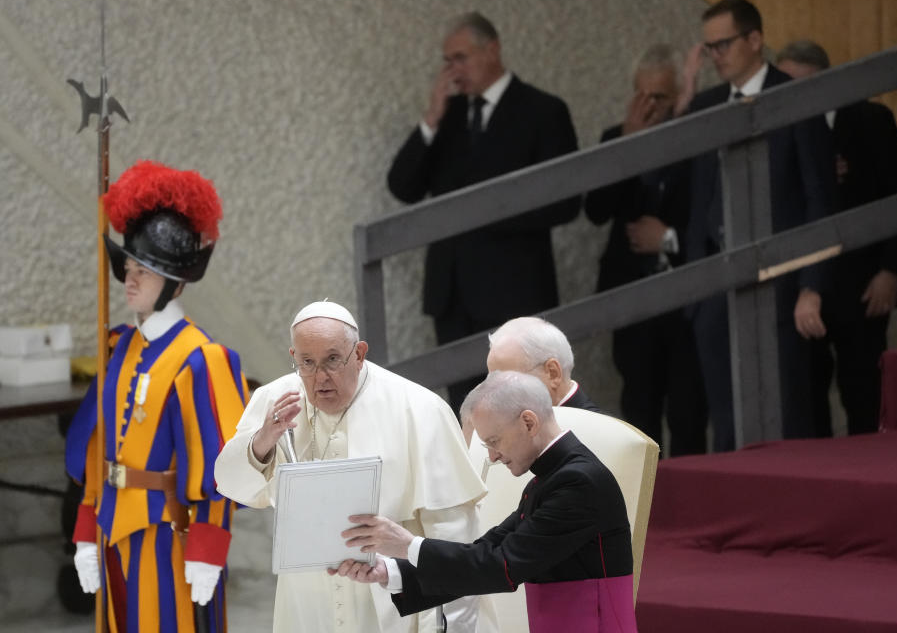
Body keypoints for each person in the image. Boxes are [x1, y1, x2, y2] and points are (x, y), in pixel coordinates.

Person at [214, 301, 493, 633]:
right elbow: (231, 485)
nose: (320, 378)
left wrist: (449, 626)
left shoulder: (419, 408)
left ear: (359, 354)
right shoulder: (275, 400)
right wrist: (263, 439)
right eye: (306, 363)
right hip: (306, 598)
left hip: (390, 597)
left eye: (333, 360)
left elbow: (451, 533)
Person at [65, 161, 250, 633]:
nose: (129, 278)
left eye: (144, 271)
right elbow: (96, 452)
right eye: (128, 266)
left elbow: (221, 466)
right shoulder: (119, 347)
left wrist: (209, 548)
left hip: (169, 535)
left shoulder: (202, 359)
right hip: (111, 529)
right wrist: (87, 531)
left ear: (176, 280)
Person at [332, 370, 638, 633]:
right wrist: (392, 571)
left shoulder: (577, 483)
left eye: (494, 441)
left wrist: (408, 545)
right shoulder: (551, 478)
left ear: (529, 423)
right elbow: (484, 550)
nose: (491, 456)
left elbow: (500, 566)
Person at [387, 11, 581, 414]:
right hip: (453, 292)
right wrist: (431, 120)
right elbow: (403, 186)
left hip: (514, 288)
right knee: (468, 412)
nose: (454, 70)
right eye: (448, 61)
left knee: (523, 410)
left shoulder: (542, 110)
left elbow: (566, 201)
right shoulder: (450, 116)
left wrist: (491, 213)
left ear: (492, 49)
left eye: (461, 57)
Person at [683, 0, 836, 450]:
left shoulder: (794, 96)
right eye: (709, 47)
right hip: (716, 287)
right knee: (727, 423)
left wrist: (812, 286)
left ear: (755, 39)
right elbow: (693, 198)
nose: (716, 55)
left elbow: (819, 200)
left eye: (724, 44)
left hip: (784, 288)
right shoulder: (706, 104)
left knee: (786, 415)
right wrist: (696, 292)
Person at [776, 40, 897, 436]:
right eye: (784, 84)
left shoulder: (870, 120)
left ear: (827, 80)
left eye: (802, 82)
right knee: (804, 402)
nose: (795, 93)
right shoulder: (777, 131)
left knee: (865, 395)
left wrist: (892, 271)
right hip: (801, 288)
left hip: (863, 285)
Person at [585, 44, 708, 456]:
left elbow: (706, 213)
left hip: (686, 301)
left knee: (689, 411)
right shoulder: (615, 139)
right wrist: (628, 145)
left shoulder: (696, 141)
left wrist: (669, 236)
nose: (650, 105)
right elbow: (596, 209)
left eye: (660, 97)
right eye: (642, 95)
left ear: (678, 99)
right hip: (632, 300)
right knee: (639, 414)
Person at [487, 316, 601, 413]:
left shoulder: (599, 432)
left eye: (508, 383)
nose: (496, 397)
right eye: (492, 382)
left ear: (553, 373)